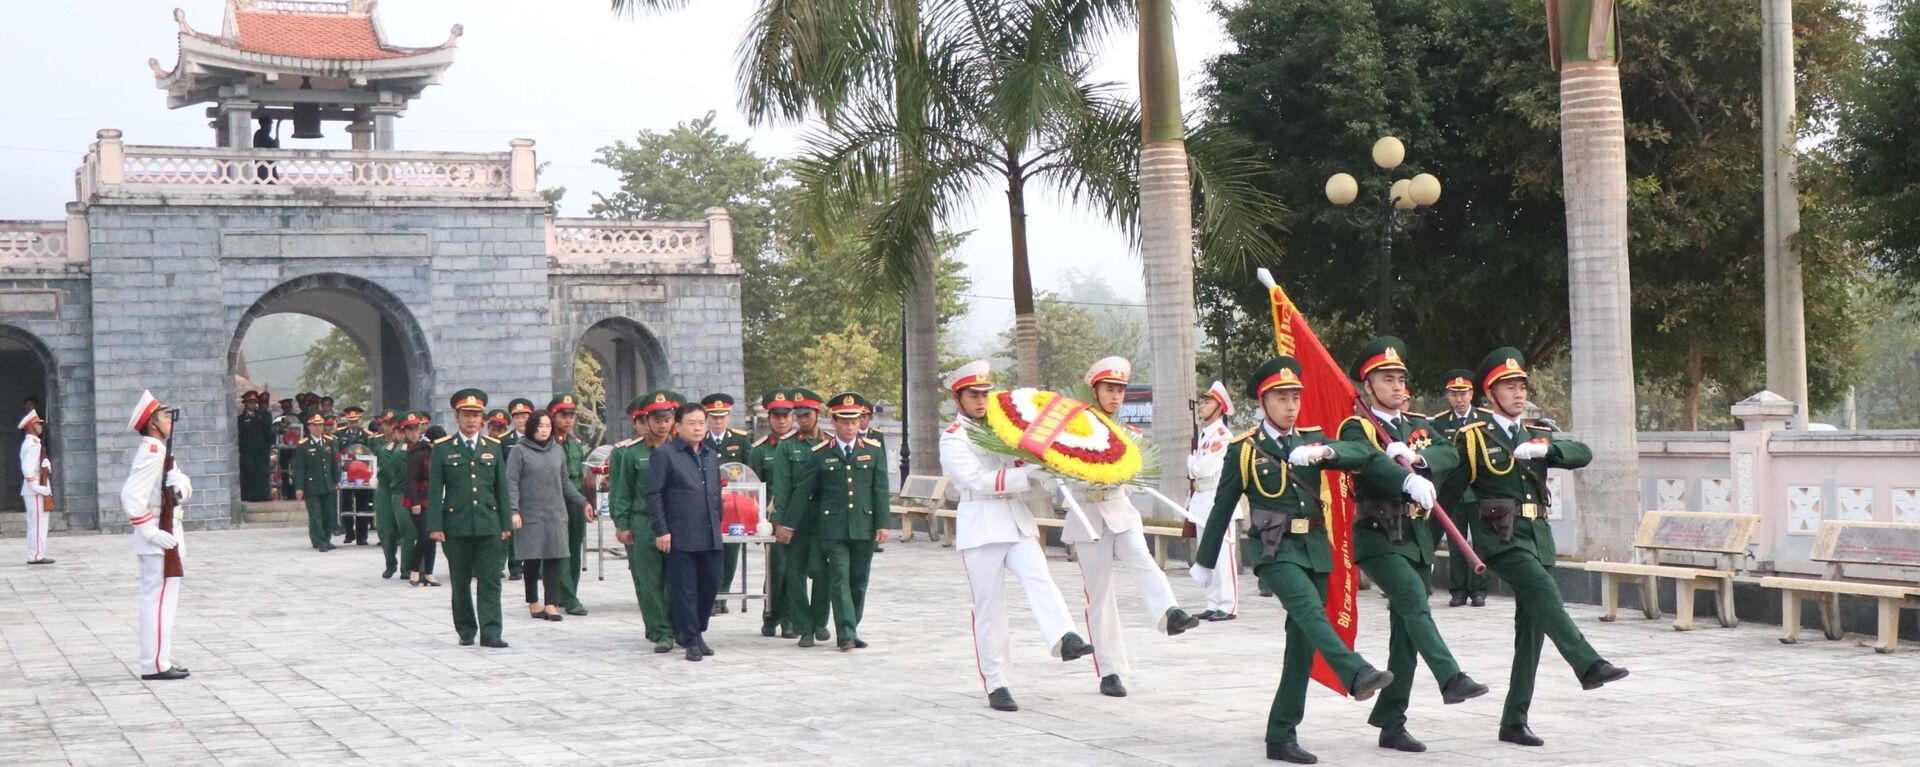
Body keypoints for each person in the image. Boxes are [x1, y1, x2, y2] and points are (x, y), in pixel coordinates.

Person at [1191, 357, 1399, 764]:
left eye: (1294, 398)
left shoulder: (1313, 438)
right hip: (1274, 551)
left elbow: (1361, 453)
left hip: (1315, 549)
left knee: (1301, 646)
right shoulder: (1244, 449)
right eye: (1281, 398)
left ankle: (1280, 734)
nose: (1290, 406)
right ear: (1263, 402)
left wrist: (1326, 450)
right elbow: (1221, 508)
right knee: (1310, 613)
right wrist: (1205, 559)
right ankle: (1354, 671)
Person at [1455, 348, 1628, 747]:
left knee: (1531, 631)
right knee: (1544, 590)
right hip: (1500, 538)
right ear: (1489, 394)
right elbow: (1449, 489)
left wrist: (1545, 449)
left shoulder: (1535, 433)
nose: (1518, 394)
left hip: (1537, 538)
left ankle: (1514, 721)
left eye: (1521, 386)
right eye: (1508, 387)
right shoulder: (1474, 437)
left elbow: (1582, 452)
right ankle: (1588, 665)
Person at [1336, 337, 1488, 753]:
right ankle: (1451, 677)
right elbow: (1365, 461)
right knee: (1414, 601)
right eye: (1387, 379)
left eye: (1401, 378)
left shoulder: (1417, 424)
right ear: (1368, 386)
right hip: (1379, 536)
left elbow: (1450, 453)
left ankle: (1391, 721)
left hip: (1417, 537)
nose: (1398, 386)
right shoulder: (1359, 426)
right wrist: (1399, 472)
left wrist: (1419, 461)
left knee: (1405, 636)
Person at [938, 360, 1094, 712]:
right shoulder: (954, 438)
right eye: (973, 395)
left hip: (1016, 519)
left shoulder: (1003, 428)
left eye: (984, 394)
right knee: (990, 607)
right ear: (958, 398)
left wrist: (1050, 465)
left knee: (1040, 577)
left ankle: (1064, 637)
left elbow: (1024, 463)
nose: (981, 401)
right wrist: (1029, 475)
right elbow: (977, 480)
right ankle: (998, 682)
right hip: (981, 521)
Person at [1062, 357, 1201, 698]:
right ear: (1094, 391)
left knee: (1142, 558)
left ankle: (1169, 612)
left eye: (1120, 390)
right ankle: (1109, 671)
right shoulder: (1072, 430)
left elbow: (1136, 474)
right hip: (1087, 515)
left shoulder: (1128, 434)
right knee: (1099, 596)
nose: (1116, 396)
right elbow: (1061, 472)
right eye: (1109, 389)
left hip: (1120, 509)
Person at [801, 392, 891, 651]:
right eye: (845, 421)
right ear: (834, 423)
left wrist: (883, 524)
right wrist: (788, 522)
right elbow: (807, 491)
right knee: (839, 576)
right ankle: (845, 633)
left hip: (863, 524)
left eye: (855, 420)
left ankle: (852, 625)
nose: (851, 426)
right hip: (833, 527)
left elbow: (880, 490)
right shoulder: (820, 453)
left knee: (858, 580)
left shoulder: (872, 451)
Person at [426, 389, 513, 648]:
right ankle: (466, 629)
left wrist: (506, 523)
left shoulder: (493, 447)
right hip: (456, 525)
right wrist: (435, 526)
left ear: (483, 419)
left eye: (476, 415)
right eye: (467, 415)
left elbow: (502, 488)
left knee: (490, 580)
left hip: (488, 523)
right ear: (457, 417)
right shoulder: (443, 449)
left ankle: (491, 632)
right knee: (460, 582)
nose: (472, 420)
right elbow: (434, 490)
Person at [644, 401, 727, 661]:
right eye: (692, 423)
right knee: (685, 588)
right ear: (678, 426)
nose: (698, 428)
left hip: (710, 532)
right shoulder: (665, 455)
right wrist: (661, 530)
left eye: (702, 423)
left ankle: (697, 630)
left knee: (710, 585)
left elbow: (716, 494)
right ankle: (691, 638)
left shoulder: (710, 456)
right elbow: (653, 494)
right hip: (680, 534)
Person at [123, 391, 193, 681]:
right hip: (158, 539)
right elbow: (130, 496)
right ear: (152, 424)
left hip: (166, 533)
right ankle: (155, 663)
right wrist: (151, 532)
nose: (169, 421)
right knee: (158, 601)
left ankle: (158, 658)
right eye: (164, 416)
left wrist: (180, 487)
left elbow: (182, 488)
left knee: (161, 601)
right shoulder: (152, 453)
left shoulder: (160, 451)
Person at [609, 391, 682, 653]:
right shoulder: (632, 453)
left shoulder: (681, 448)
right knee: (649, 581)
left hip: (676, 523)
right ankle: (661, 632)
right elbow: (623, 491)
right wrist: (623, 524)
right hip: (644, 523)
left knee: (677, 580)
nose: (663, 425)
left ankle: (677, 627)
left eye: (667, 419)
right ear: (647, 420)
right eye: (657, 420)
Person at [507, 410, 587, 622]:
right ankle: (533, 601)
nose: (544, 431)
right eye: (540, 426)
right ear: (532, 427)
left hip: (555, 513)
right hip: (530, 513)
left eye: (547, 427)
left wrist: (582, 502)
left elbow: (565, 482)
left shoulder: (557, 451)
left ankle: (551, 603)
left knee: (554, 559)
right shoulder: (519, 451)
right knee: (532, 559)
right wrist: (513, 510)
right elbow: (511, 483)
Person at [756, 389, 819, 644]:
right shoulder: (761, 449)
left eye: (786, 416)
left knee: (800, 570)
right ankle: (772, 615)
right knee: (778, 570)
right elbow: (757, 488)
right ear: (769, 418)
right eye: (776, 416)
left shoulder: (814, 442)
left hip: (806, 515)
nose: (781, 421)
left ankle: (792, 620)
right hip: (775, 515)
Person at [1432, 368, 1489, 607]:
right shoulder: (1439, 423)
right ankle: (1458, 591)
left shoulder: (1485, 419)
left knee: (1481, 541)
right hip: (1453, 492)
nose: (1459, 398)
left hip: (1479, 492)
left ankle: (1479, 590)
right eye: (1454, 394)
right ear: (1448, 395)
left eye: (1463, 393)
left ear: (1471, 393)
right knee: (1456, 541)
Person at [1189, 381, 1236, 620]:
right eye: (1202, 401)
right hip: (1202, 498)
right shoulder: (1206, 434)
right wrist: (1193, 467)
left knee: (1223, 554)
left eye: (1207, 402)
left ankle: (1228, 604)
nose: (1202, 406)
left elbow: (1203, 468)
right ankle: (1213, 601)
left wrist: (1192, 465)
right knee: (1206, 551)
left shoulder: (1222, 435)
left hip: (1218, 498)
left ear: (1220, 407)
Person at [702, 393, 752, 613]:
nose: (718, 421)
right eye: (714, 417)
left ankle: (723, 594)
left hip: (734, 505)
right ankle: (711, 597)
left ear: (729, 416)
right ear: (707, 417)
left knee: (730, 552)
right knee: (709, 551)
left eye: (722, 417)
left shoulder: (740, 440)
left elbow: (749, 472)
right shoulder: (700, 440)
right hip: (706, 504)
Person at [549, 394, 593, 616]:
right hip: (556, 502)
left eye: (571, 416)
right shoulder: (547, 445)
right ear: (553, 416)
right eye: (563, 416)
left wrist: (588, 502)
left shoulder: (576, 445)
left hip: (575, 502)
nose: (568, 420)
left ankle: (568, 592)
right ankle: (568, 596)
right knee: (561, 550)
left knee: (574, 549)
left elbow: (582, 476)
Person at [374, 412, 419, 579]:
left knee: (408, 531)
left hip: (404, 491)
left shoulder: (411, 448)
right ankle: (390, 563)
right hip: (387, 492)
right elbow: (394, 475)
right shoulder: (387, 451)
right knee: (388, 531)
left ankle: (407, 567)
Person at [289, 413, 338, 552]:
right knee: (316, 514)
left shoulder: (330, 441)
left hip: (327, 483)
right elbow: (299, 468)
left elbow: (334, 463)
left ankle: (327, 539)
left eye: (320, 425)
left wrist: (336, 480)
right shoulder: (303, 445)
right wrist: (299, 487)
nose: (318, 428)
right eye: (315, 425)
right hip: (311, 485)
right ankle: (318, 540)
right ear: (309, 427)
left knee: (328, 513)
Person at [403, 419, 442, 587]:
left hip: (433, 499)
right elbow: (410, 479)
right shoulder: (418, 452)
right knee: (423, 537)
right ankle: (413, 569)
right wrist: (415, 502)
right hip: (418, 499)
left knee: (432, 537)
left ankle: (429, 572)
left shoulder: (437, 453)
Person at [18, 410, 53, 565]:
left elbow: (34, 466)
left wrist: (46, 465)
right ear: (31, 426)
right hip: (35, 490)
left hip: (33, 489)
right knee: (38, 523)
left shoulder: (30, 443)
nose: (41, 426)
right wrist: (37, 487)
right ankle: (37, 555)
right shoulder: (33, 445)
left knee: (35, 523)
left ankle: (34, 553)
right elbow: (27, 469)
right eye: (38, 424)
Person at [237, 391, 273, 502]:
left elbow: (268, 434)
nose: (252, 405)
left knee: (262, 474)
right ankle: (249, 496)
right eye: (249, 402)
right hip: (248, 453)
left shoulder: (263, 416)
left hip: (261, 452)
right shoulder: (240, 419)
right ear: (245, 403)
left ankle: (264, 495)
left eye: (254, 402)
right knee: (249, 474)